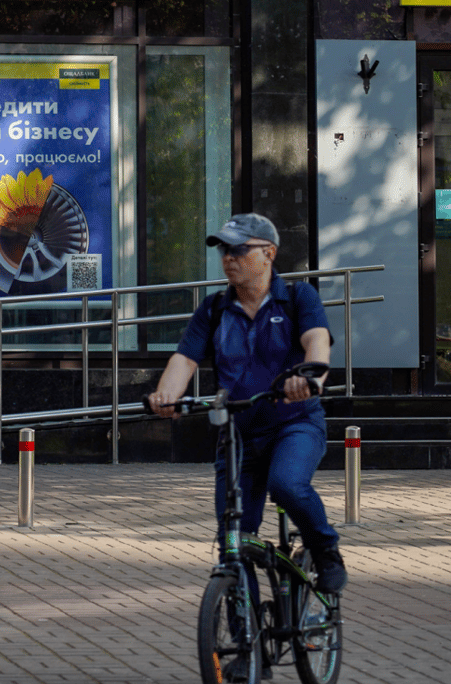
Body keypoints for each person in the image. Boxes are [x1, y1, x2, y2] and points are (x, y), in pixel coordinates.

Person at [147, 212, 346, 595]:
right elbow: (185, 359)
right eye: (224, 250)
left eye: (239, 249)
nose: (228, 258)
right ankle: (242, 643)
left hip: (295, 423)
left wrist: (310, 378)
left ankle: (325, 550)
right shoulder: (214, 309)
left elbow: (316, 341)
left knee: (287, 484)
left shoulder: (298, 297)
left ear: (269, 252)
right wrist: (166, 395)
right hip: (238, 433)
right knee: (232, 540)